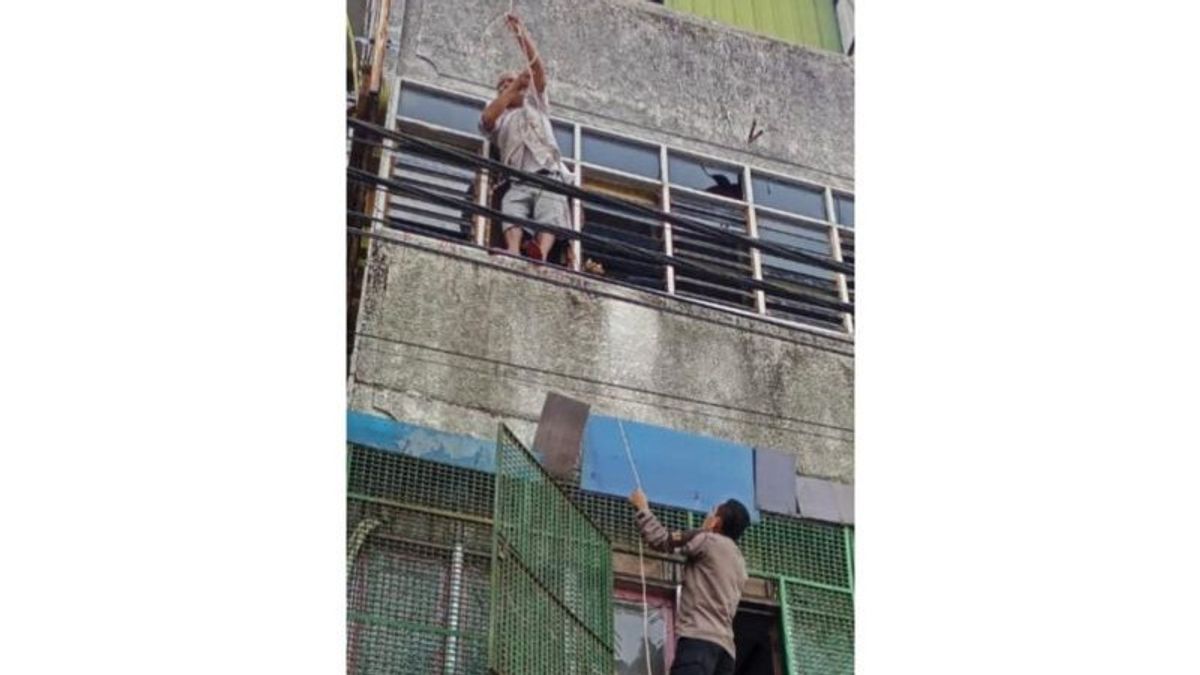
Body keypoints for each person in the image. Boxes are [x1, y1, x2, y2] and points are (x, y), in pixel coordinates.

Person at [479, 13, 571, 261]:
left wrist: (521, 34)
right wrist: (512, 85)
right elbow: (487, 119)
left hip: (548, 173)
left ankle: (540, 251)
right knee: (511, 208)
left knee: (550, 213)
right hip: (518, 178)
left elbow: (538, 70)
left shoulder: (536, 104)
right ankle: (512, 248)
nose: (508, 86)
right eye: (502, 85)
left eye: (511, 82)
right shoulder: (501, 117)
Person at [630, 488, 750, 675]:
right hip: (726, 656)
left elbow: (661, 540)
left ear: (717, 522)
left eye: (713, 512)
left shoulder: (707, 540)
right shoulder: (740, 562)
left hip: (698, 645)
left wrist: (642, 508)